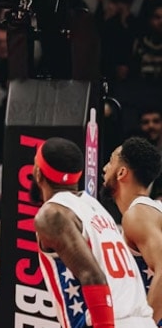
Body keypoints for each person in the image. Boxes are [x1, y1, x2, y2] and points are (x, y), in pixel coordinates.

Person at [32, 137, 155, 328]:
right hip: (141, 320)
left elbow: (93, 276)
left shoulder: (52, 214)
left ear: (38, 172)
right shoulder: (94, 207)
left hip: (108, 320)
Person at [101, 137, 162, 322]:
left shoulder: (137, 214)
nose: (104, 168)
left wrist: (146, 325)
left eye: (111, 161)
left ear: (121, 173)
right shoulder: (149, 210)